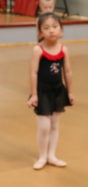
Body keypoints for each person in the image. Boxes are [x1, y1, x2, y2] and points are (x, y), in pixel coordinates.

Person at [27, 13, 74, 170]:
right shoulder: (38, 50)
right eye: (46, 28)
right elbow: (33, 73)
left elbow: (67, 72)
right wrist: (34, 94)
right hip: (42, 92)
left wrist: (70, 92)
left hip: (58, 91)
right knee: (44, 126)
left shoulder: (63, 49)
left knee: (55, 125)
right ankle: (42, 156)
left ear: (61, 30)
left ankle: (51, 155)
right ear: (40, 32)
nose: (52, 31)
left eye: (55, 27)